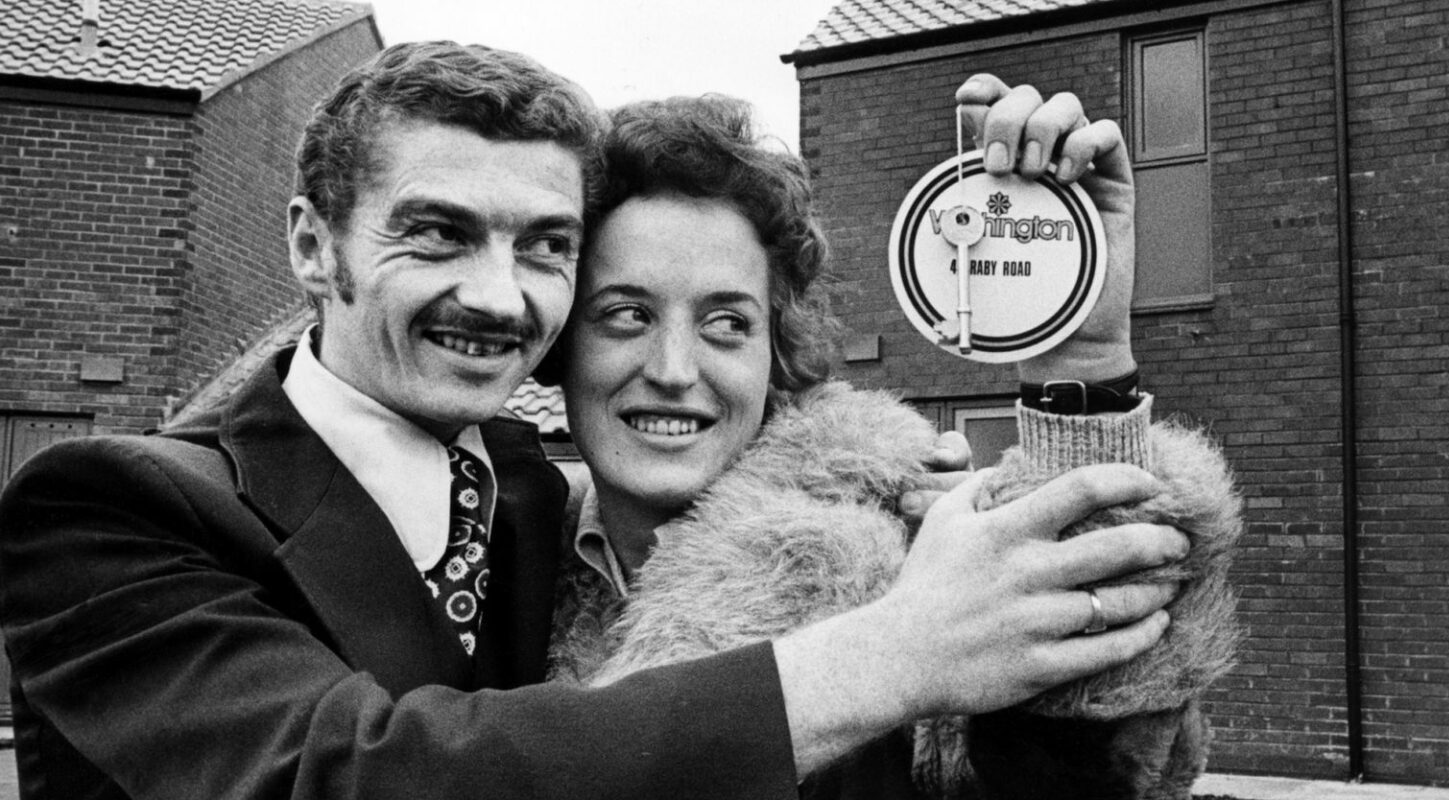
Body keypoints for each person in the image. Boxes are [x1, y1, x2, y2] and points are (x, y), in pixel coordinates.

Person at [0, 42, 1191, 800]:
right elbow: (357, 773)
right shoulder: (112, 506)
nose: (496, 292)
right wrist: (896, 650)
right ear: (311, 245)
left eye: (545, 248)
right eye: (438, 232)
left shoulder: (876, 536)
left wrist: (1075, 352)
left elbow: (1080, 760)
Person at [541, 92, 1241, 799]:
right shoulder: (498, 553)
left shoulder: (913, 555)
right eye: (626, 314)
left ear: (775, 351)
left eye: (727, 322)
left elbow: (1084, 777)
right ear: (561, 338)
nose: (673, 370)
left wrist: (1083, 365)